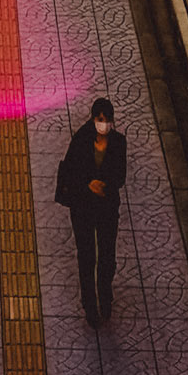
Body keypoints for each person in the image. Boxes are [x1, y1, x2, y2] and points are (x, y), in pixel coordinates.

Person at [56, 97, 126, 326]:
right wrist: (88, 185)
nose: (103, 124)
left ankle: (105, 295)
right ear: (94, 119)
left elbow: (121, 176)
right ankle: (89, 305)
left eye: (107, 120)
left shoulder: (119, 143)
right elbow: (70, 172)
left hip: (106, 207)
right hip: (83, 207)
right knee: (87, 256)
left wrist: (104, 185)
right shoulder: (81, 140)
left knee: (107, 255)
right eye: (100, 119)